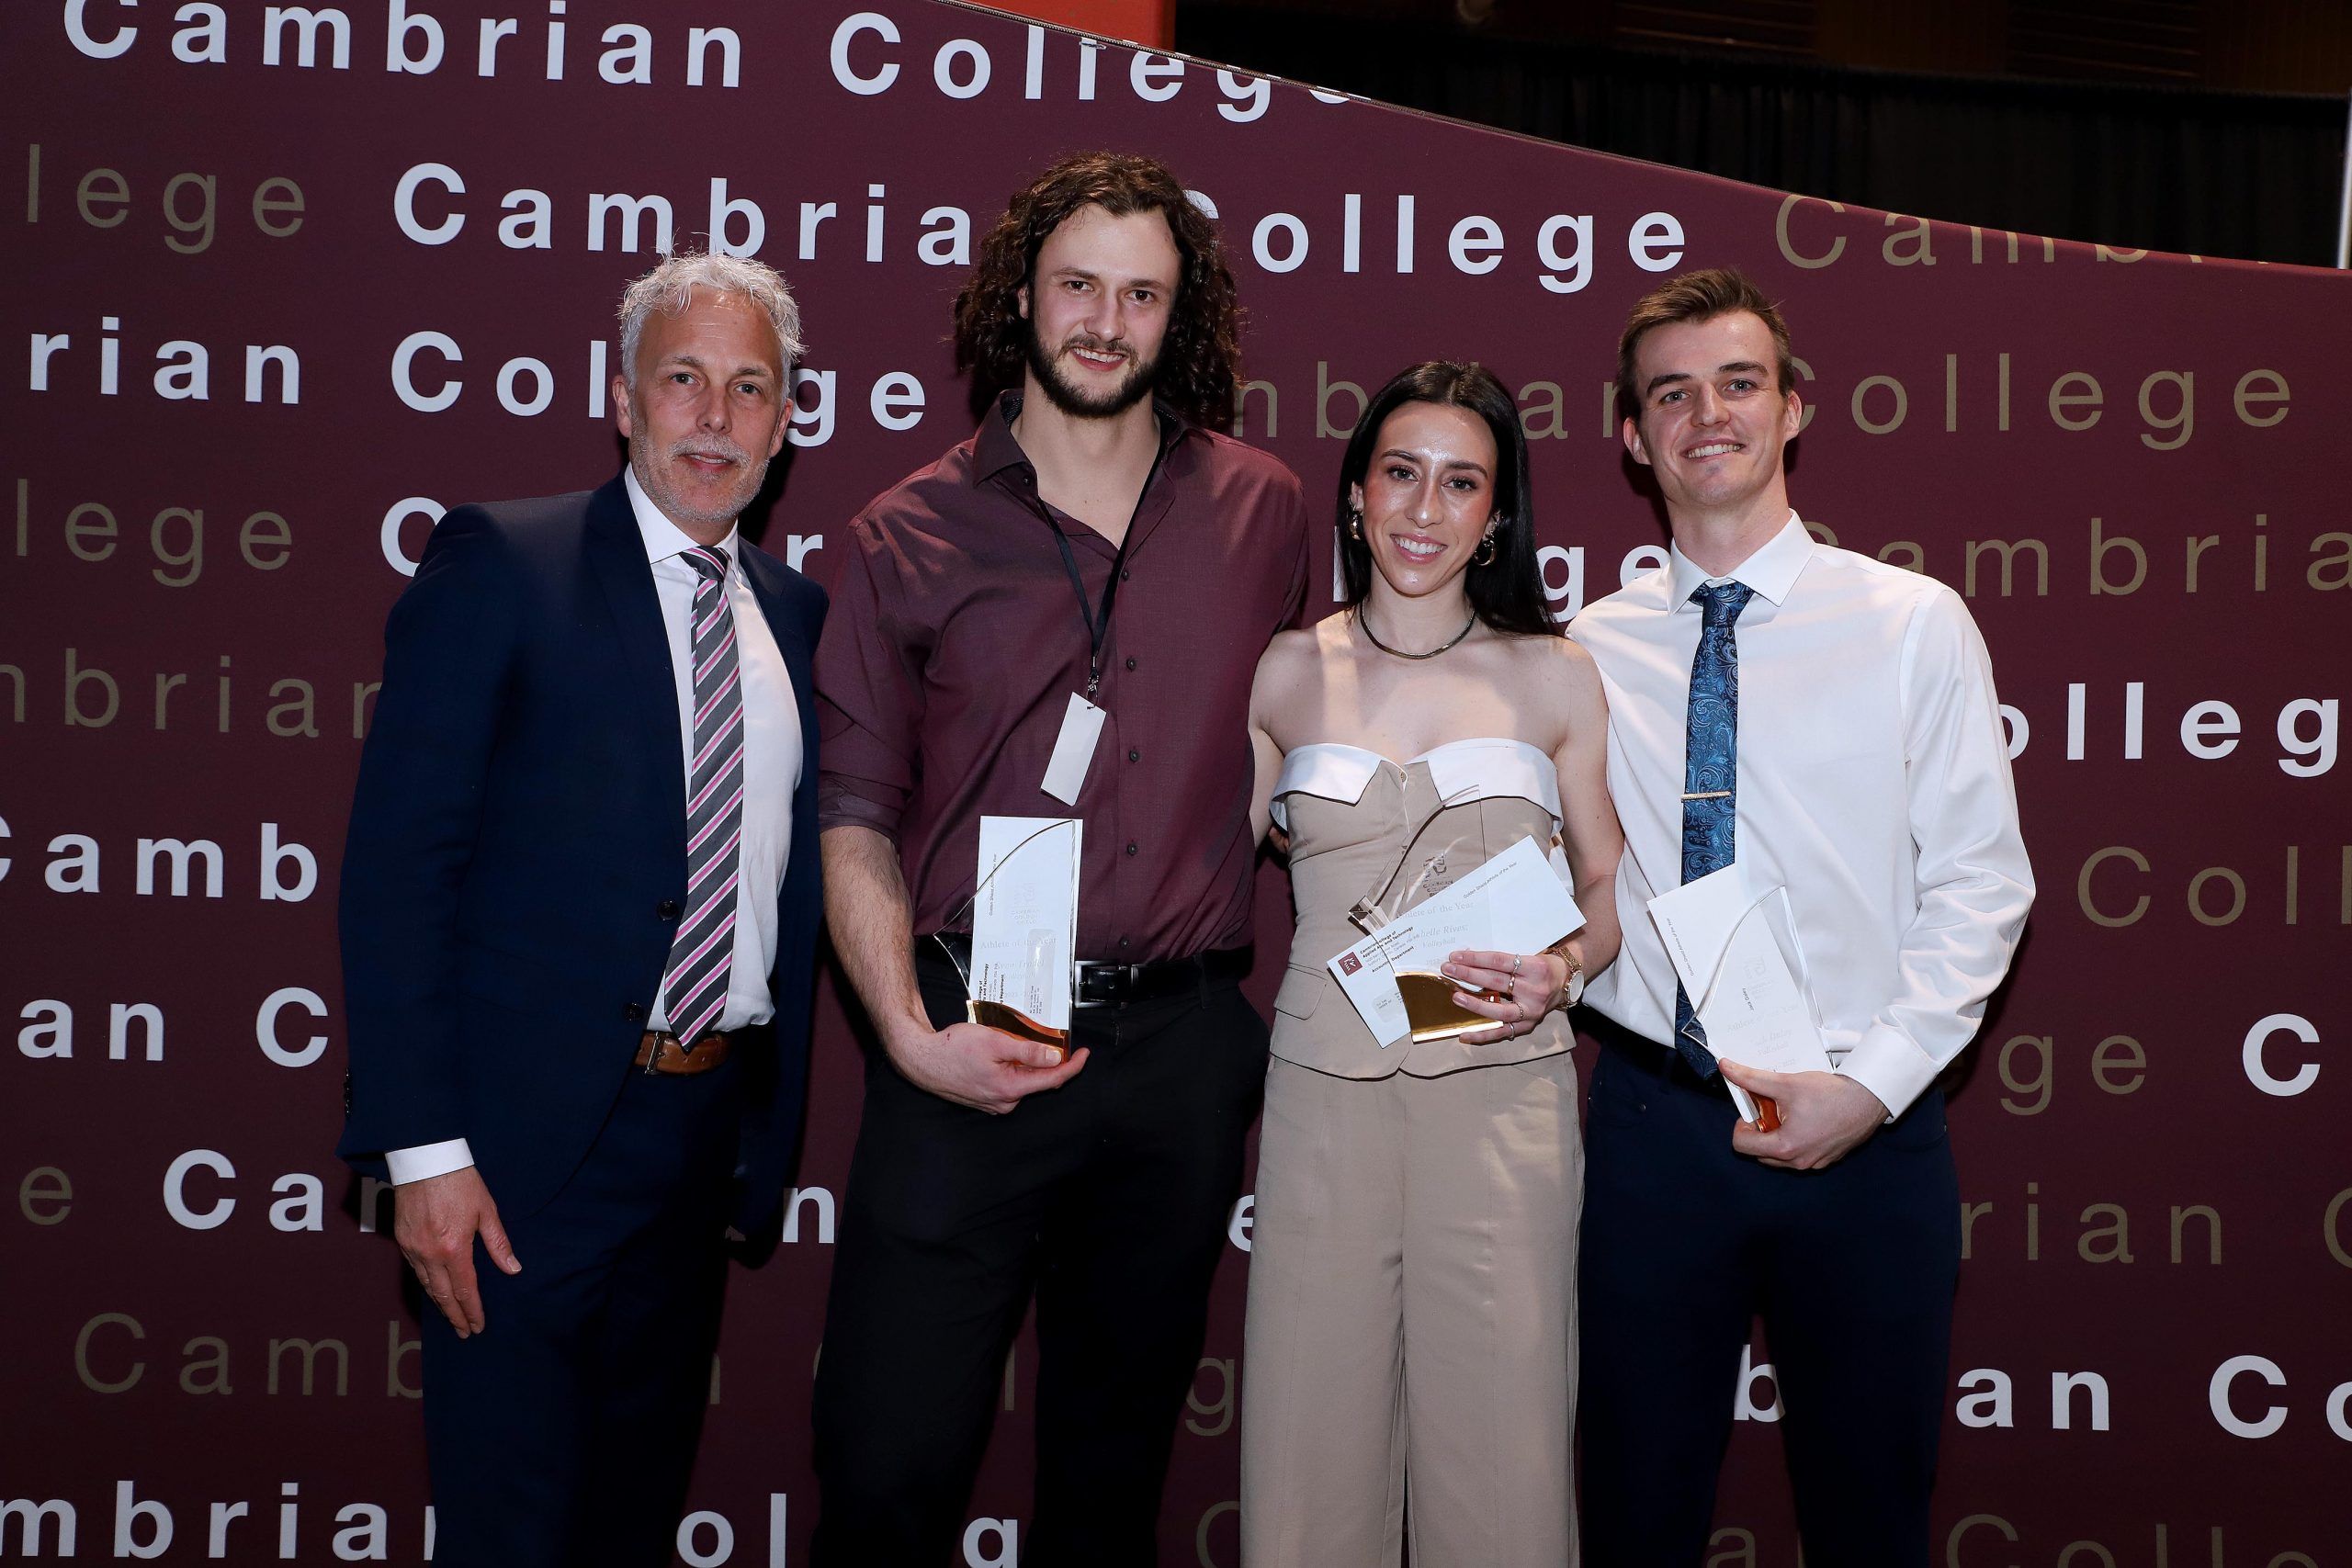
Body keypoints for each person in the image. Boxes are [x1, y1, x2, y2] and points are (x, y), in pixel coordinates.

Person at [808, 151, 1312, 1565]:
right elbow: (853, 817)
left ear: (1180, 314)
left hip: (1177, 1060)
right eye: (1078, 285)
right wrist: (910, 1040)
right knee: (885, 1471)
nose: (1106, 320)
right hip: (964, 1037)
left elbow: (1289, 745)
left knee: (1112, 1483)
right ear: (1019, 296)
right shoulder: (905, 530)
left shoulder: (1266, 511)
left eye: (1141, 294)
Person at [335, 253, 827, 1568]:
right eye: (683, 380)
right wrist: (423, 1156)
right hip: (518, 1159)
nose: (714, 418)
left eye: (749, 388)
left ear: (786, 421)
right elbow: (398, 870)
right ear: (621, 399)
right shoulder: (506, 561)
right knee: (510, 1532)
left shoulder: (796, 616)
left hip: (697, 1146)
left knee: (629, 1524)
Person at [1569, 267, 2034, 1565]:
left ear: (1793, 411)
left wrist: (1872, 1088)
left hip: (1869, 1132)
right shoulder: (1584, 649)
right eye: (1672, 393)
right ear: (1632, 435)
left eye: (1738, 383)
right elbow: (1558, 873)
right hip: (1658, 1132)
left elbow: (1983, 884)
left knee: (1870, 1520)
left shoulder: (1912, 624)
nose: (1706, 414)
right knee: (1634, 1516)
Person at [1237, 360, 1623, 1567]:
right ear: (1356, 493)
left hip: (1504, 1099)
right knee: (1305, 1455)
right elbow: (1196, 867)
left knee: (1504, 1463)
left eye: (1462, 483)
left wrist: (1564, 972)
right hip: (1322, 1100)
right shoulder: (1283, 671)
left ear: (1496, 515)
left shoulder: (1555, 674)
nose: (1424, 508)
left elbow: (1608, 890)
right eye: (1401, 473)